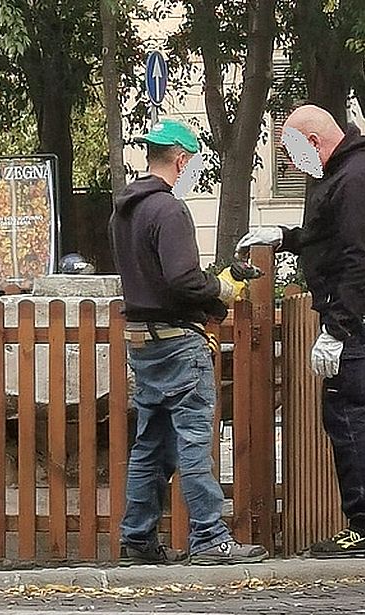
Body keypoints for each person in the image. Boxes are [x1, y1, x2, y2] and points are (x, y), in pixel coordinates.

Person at [236, 104, 365, 558]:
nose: (291, 164)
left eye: (291, 152)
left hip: (355, 317)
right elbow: (335, 237)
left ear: (314, 142)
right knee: (364, 416)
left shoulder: (351, 179)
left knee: (348, 418)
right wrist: (287, 237)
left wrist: (337, 327)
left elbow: (355, 257)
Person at [109, 118, 268, 565]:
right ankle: (211, 539)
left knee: (151, 445)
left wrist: (218, 283)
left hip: (142, 344)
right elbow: (180, 280)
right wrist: (221, 289)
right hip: (179, 343)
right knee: (193, 442)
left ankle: (138, 539)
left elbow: (153, 280)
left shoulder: (123, 211)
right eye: (190, 162)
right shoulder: (169, 210)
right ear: (180, 159)